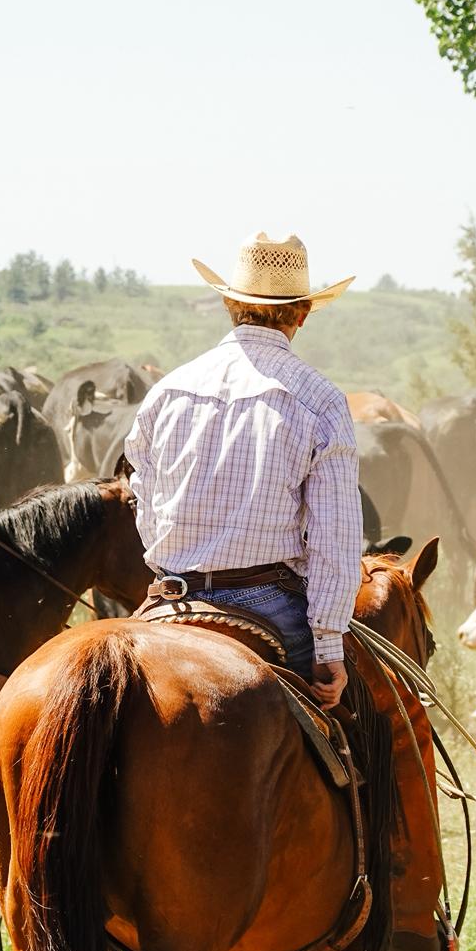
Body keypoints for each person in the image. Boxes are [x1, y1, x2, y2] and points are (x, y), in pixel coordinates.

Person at [124, 232, 362, 707]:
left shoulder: (168, 391)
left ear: (230, 304)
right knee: (357, 732)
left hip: (171, 595)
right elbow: (335, 540)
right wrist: (329, 647)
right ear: (302, 313)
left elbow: (145, 504)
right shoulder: (321, 401)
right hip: (266, 601)